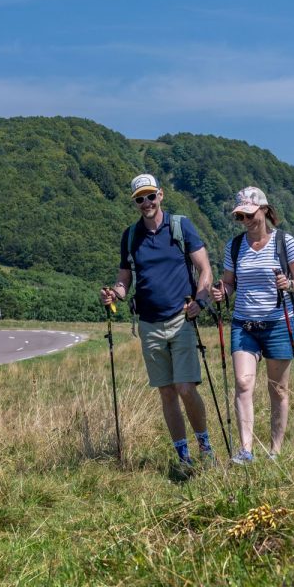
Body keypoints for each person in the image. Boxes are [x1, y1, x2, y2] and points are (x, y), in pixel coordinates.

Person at [100, 173, 215, 467]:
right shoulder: (130, 236)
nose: (146, 203)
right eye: (140, 199)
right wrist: (114, 294)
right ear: (135, 203)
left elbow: (205, 269)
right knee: (166, 392)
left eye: (150, 196)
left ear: (161, 195)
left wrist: (201, 301)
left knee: (186, 388)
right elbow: (125, 280)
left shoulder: (180, 226)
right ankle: (183, 456)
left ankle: (205, 447)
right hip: (149, 324)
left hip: (181, 319)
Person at [211, 186, 294, 464]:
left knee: (278, 390)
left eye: (250, 214)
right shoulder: (234, 246)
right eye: (240, 216)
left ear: (265, 211)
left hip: (278, 323)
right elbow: (229, 283)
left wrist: (288, 284)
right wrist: (222, 292)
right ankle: (246, 450)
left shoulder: (284, 242)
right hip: (243, 325)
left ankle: (275, 450)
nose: (246, 220)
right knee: (243, 384)